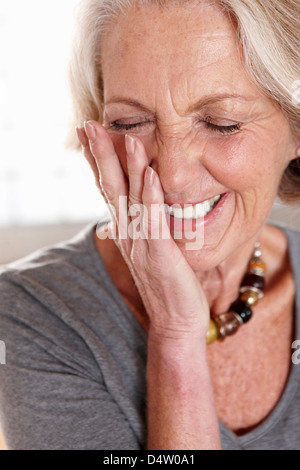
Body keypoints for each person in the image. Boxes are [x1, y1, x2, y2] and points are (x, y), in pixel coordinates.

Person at [0, 0, 300, 450]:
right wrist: (176, 334)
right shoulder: (31, 312)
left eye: (221, 124)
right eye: (131, 122)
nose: (173, 175)